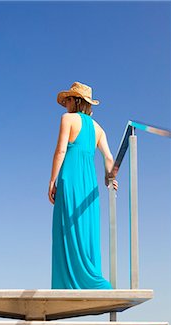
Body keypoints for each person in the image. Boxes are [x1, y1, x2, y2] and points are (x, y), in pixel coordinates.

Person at [48, 81, 118, 289]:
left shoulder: (67, 119)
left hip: (71, 179)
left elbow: (61, 151)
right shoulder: (98, 129)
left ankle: (68, 284)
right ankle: (90, 279)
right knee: (85, 229)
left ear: (75, 101)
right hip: (90, 184)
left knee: (66, 227)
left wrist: (52, 180)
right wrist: (110, 177)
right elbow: (108, 156)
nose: (66, 104)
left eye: (68, 100)